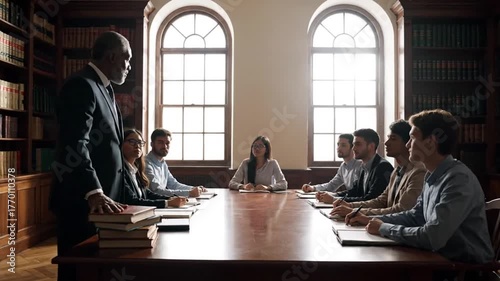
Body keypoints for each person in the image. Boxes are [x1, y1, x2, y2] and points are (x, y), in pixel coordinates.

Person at [347, 109, 494, 265]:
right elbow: (415, 216)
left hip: (465, 270)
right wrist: (368, 219)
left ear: (430, 142)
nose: (408, 144)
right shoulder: (432, 175)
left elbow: (432, 237)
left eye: (412, 138)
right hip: (439, 261)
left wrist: (383, 228)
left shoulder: (458, 179)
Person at [49, 31, 130, 281]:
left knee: (100, 270)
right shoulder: (81, 85)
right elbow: (75, 144)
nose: (129, 66)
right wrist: (94, 191)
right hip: (83, 202)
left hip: (108, 203)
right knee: (79, 270)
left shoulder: (106, 90)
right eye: (127, 59)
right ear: (112, 56)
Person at [330, 120, 425, 218]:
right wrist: (350, 206)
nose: (386, 143)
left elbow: (401, 210)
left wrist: (356, 212)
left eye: (393, 139)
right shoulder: (397, 171)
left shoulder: (418, 172)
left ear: (407, 142)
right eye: (388, 138)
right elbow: (381, 200)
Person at [318, 128, 393, 203]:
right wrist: (332, 195)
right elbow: (355, 191)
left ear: (371, 146)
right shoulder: (364, 166)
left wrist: (334, 200)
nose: (353, 148)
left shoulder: (382, 167)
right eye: (353, 144)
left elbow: (371, 199)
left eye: (358, 144)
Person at [121, 129, 187, 208]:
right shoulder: (121, 171)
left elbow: (148, 193)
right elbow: (132, 201)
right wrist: (167, 203)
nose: (137, 145)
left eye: (140, 142)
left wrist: (170, 198)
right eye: (132, 141)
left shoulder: (136, 169)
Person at [145, 128, 206, 197]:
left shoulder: (162, 163)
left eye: (167, 143)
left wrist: (194, 189)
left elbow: (174, 185)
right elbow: (156, 191)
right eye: (160, 142)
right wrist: (189, 193)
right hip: (153, 204)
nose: (165, 146)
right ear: (152, 144)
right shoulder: (146, 163)